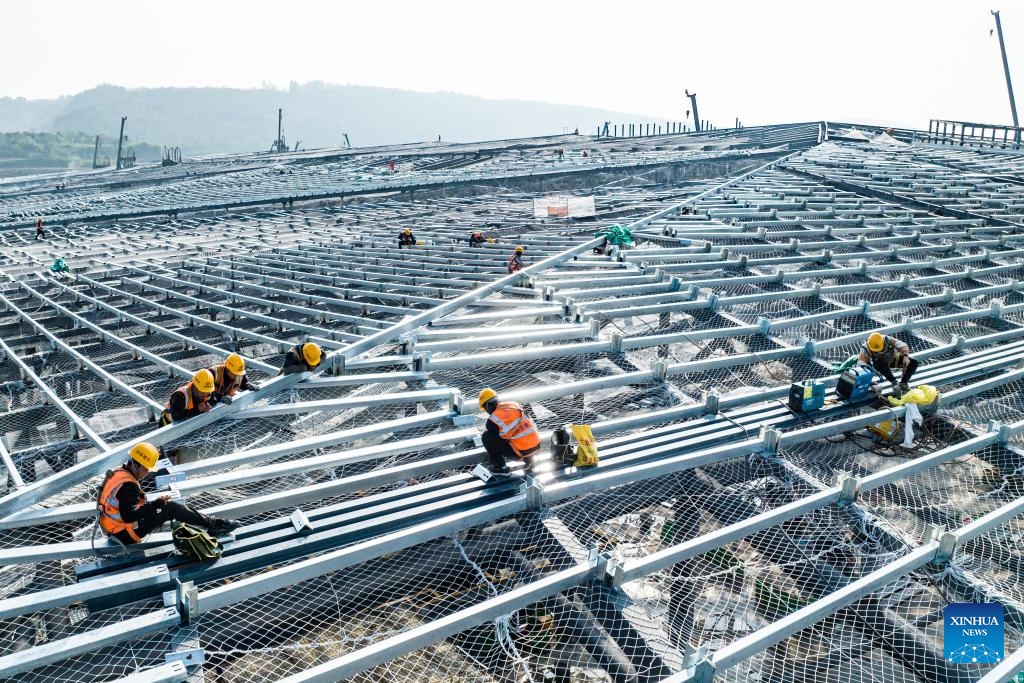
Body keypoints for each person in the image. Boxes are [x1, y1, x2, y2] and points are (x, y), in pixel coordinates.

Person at [97, 442, 238, 544]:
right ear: (136, 465)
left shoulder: (119, 473)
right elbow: (129, 516)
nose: (147, 473)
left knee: (168, 508)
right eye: (146, 469)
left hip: (113, 528)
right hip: (125, 533)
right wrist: (155, 504)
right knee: (171, 508)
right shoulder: (128, 486)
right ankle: (215, 524)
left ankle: (212, 523)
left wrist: (154, 506)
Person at [478, 388, 541, 474]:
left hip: (520, 454)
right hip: (537, 447)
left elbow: (497, 441)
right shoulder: (513, 404)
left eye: (485, 408)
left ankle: (500, 466)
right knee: (518, 434)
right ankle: (529, 461)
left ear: (487, 405)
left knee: (486, 436)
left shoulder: (492, 420)